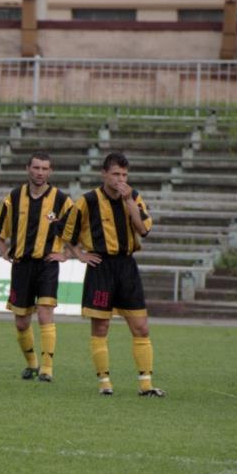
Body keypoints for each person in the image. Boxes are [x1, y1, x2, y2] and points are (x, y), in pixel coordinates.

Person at [60, 152, 165, 397]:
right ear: (104, 174)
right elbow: (66, 231)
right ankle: (104, 383)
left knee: (141, 327)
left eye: (125, 175)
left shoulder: (134, 197)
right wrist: (80, 255)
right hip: (101, 267)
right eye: (116, 174)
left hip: (126, 267)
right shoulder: (87, 201)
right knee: (101, 326)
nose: (121, 179)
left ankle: (146, 385)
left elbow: (143, 230)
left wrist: (129, 202)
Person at [0, 152, 73, 382]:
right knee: (21, 322)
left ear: (50, 171)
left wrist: (66, 254)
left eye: (44, 169)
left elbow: (78, 229)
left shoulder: (61, 200)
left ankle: (47, 369)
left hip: (47, 265)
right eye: (36, 168)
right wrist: (4, 250)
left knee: (45, 314)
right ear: (28, 168)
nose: (40, 172)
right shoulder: (14, 197)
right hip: (21, 265)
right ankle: (32, 363)